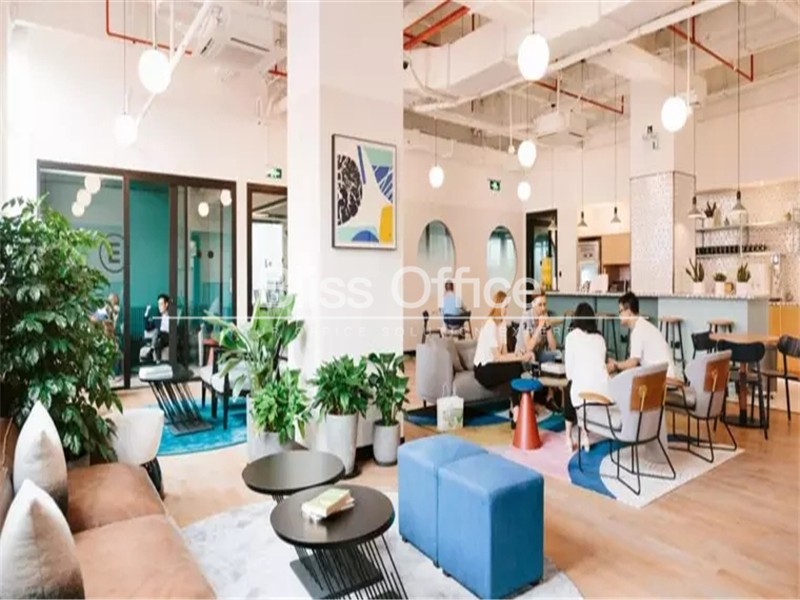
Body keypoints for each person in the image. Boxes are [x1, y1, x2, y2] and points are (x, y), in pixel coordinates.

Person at [473, 290, 532, 427]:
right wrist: (520, 357)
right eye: (505, 307)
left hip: (494, 365)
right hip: (483, 369)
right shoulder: (490, 325)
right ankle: (515, 410)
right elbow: (498, 357)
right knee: (515, 368)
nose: (506, 310)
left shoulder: (503, 324)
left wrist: (519, 355)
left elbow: (505, 354)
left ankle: (515, 410)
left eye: (507, 307)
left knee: (516, 366)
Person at [564, 302, 610, 452]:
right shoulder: (600, 338)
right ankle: (584, 435)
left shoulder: (571, 337)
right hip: (604, 393)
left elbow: (569, 373)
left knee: (570, 387)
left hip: (583, 396)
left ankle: (568, 437)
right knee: (582, 385)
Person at [609, 291, 675, 378]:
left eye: (620, 311)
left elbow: (632, 363)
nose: (619, 316)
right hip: (664, 374)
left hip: (663, 378)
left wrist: (615, 365)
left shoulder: (638, 330)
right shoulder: (642, 325)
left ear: (628, 311)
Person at [516, 291, 558, 362]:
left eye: (544, 304)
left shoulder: (545, 315)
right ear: (533, 304)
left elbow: (553, 348)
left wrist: (548, 326)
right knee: (531, 356)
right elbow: (529, 348)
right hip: (524, 355)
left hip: (537, 353)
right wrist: (540, 326)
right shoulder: (526, 317)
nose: (543, 308)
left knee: (557, 355)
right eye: (540, 305)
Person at [145, 293, 171, 364]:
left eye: (161, 304)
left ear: (166, 304)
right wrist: (146, 313)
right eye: (158, 304)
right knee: (158, 343)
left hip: (169, 337)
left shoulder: (171, 316)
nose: (159, 307)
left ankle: (151, 350)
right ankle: (158, 362)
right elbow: (147, 328)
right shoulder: (158, 318)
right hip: (160, 338)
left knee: (157, 331)